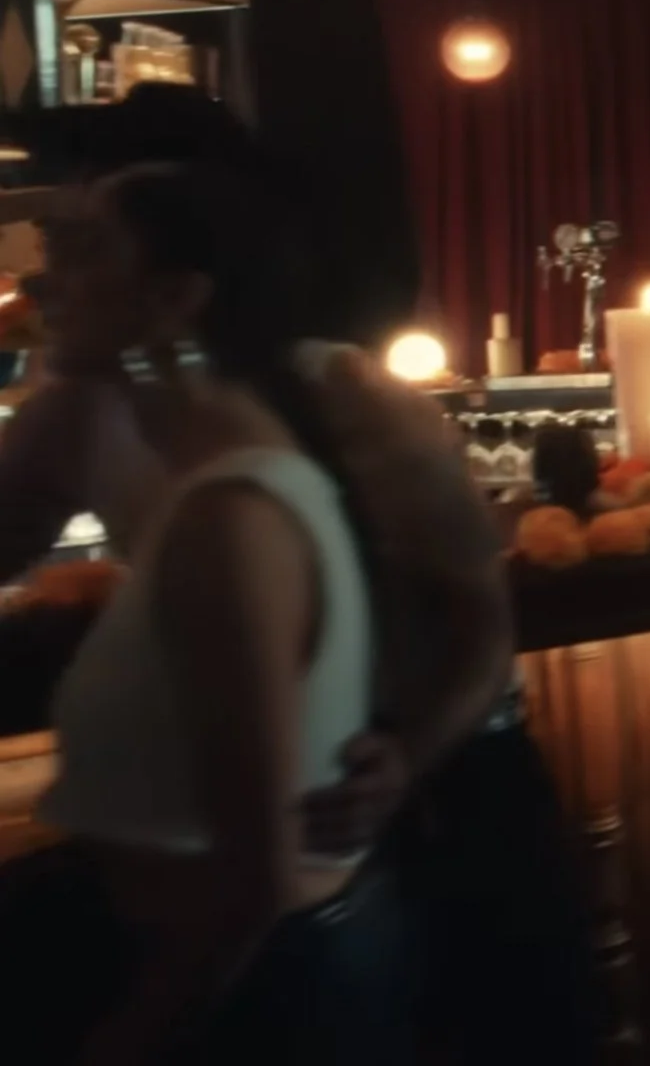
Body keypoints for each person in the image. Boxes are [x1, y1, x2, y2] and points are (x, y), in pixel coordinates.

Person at [0, 86, 595, 1064]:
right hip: (263, 838)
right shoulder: (76, 411)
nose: (47, 269)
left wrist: (402, 753)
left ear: (180, 263)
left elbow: (480, 628)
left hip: (445, 799)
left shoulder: (343, 395)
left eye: (85, 234)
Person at [0, 161, 413, 1063]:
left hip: (254, 1000)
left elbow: (255, 875)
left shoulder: (229, 515)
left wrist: (128, 1038)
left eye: (85, 250)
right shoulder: (227, 476)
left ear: (175, 298)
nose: (42, 281)